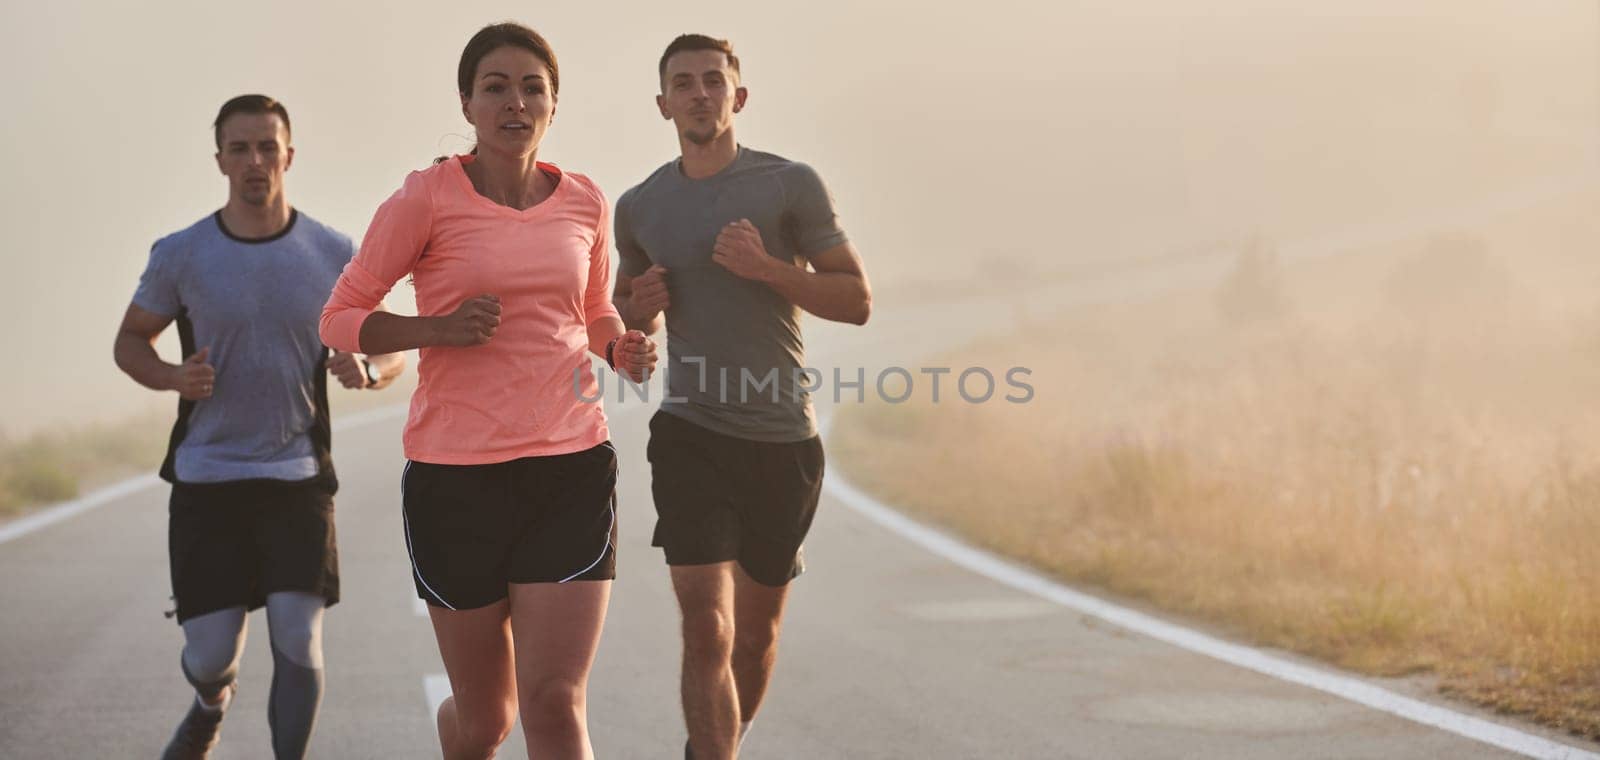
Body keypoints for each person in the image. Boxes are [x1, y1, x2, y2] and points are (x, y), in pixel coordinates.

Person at [318, 22, 656, 760]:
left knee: (556, 703)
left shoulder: (585, 201)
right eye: (496, 87)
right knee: (485, 721)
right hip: (454, 481)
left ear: (553, 104)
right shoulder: (424, 200)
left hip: (569, 466)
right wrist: (435, 330)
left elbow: (593, 308)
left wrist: (617, 345)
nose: (515, 102)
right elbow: (339, 319)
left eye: (532, 87)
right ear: (467, 104)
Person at [113, 94, 405, 760]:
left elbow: (390, 344)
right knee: (211, 653)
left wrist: (371, 368)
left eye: (267, 147)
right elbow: (131, 341)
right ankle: (212, 701)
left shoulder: (331, 252)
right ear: (219, 159)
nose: (255, 161)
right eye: (240, 148)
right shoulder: (182, 254)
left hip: (296, 476)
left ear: (289, 156)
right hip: (207, 478)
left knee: (298, 638)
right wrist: (170, 377)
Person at [612, 33, 873, 760]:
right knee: (708, 627)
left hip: (783, 437)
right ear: (662, 103)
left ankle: (710, 749)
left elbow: (856, 300)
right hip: (691, 429)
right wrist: (640, 313)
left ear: (739, 96)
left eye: (712, 81)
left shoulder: (790, 184)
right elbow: (623, 310)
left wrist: (766, 269)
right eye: (683, 83)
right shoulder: (639, 206)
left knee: (754, 639)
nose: (699, 93)